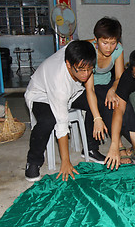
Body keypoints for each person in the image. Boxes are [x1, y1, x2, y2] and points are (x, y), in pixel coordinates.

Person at [71, 17, 135, 164]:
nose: (109, 47)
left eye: (113, 43)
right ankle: (114, 146)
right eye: (104, 43)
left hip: (107, 85)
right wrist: (98, 116)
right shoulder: (89, 50)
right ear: (96, 40)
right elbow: (90, 88)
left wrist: (113, 89)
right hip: (83, 87)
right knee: (104, 103)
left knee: (122, 100)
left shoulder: (118, 49)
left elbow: (119, 77)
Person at [24, 40, 96, 182]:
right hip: (41, 94)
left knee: (100, 100)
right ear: (69, 64)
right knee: (48, 120)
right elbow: (62, 124)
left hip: (73, 91)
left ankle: (92, 148)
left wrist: (98, 41)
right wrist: (66, 161)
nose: (86, 74)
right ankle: (33, 161)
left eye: (89, 69)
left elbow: (78, 42)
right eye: (81, 69)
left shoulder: (73, 51)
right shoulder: (59, 82)